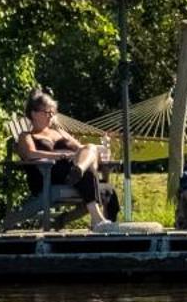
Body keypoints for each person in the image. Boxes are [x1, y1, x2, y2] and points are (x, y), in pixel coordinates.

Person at [15, 89, 115, 227]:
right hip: (48, 173)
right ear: (34, 114)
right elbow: (30, 154)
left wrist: (101, 149)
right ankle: (97, 221)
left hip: (70, 170)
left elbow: (81, 148)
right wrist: (61, 155)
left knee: (91, 153)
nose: (51, 116)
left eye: (52, 112)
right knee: (89, 174)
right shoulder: (26, 136)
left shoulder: (59, 131)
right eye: (47, 112)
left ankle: (78, 170)